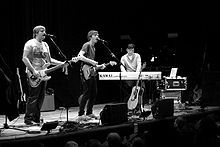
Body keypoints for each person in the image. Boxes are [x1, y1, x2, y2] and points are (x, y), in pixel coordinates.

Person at [22, 25, 68, 125]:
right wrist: (33, 70)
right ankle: (28, 119)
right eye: (42, 31)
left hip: (43, 73)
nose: (44, 33)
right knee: (33, 97)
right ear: (36, 33)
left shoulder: (46, 45)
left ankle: (36, 118)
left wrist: (62, 63)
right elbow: (24, 58)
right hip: (33, 73)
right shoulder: (30, 43)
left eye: (45, 30)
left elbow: (49, 61)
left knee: (41, 97)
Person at [73, 30, 106, 121]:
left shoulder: (93, 47)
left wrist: (100, 66)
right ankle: (80, 114)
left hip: (91, 71)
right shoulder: (86, 45)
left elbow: (92, 64)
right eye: (96, 35)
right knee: (87, 93)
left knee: (94, 93)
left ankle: (89, 112)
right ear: (91, 36)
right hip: (85, 71)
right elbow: (80, 56)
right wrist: (92, 62)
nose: (98, 36)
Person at [120, 43, 145, 111]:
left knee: (141, 89)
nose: (131, 51)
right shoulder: (123, 57)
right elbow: (122, 66)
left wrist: (136, 74)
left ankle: (139, 107)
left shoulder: (137, 56)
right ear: (127, 50)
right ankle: (128, 107)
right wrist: (125, 74)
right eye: (130, 50)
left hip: (136, 75)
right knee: (128, 90)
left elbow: (139, 64)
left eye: (132, 50)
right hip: (128, 76)